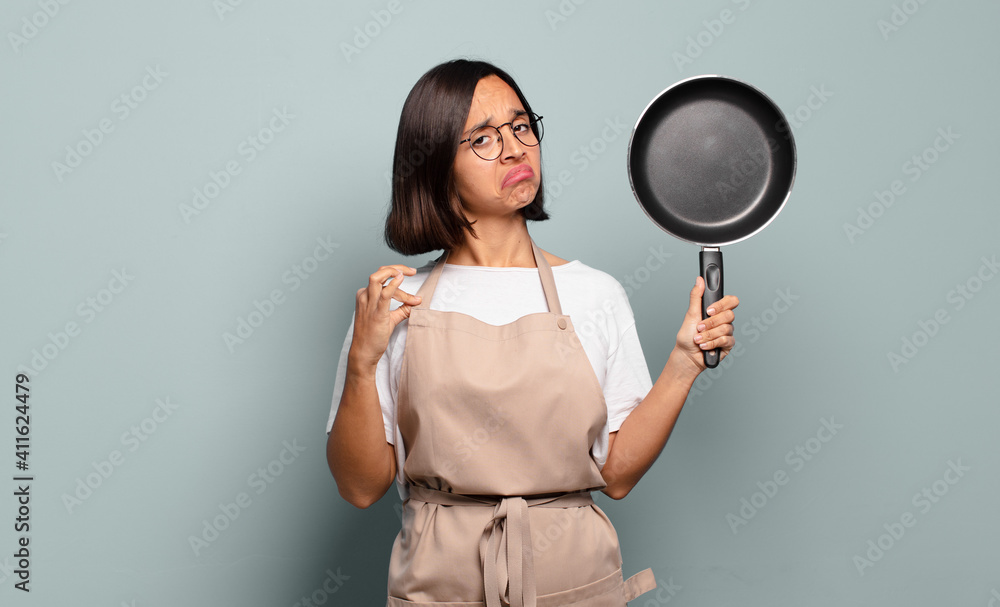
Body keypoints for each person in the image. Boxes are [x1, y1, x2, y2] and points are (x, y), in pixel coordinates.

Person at [326, 59, 739, 606]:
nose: (516, 148)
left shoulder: (595, 294)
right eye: (483, 138)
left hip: (574, 581)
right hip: (438, 586)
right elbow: (359, 487)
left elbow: (615, 474)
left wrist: (685, 362)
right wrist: (362, 359)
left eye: (521, 127)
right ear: (433, 164)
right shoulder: (396, 304)